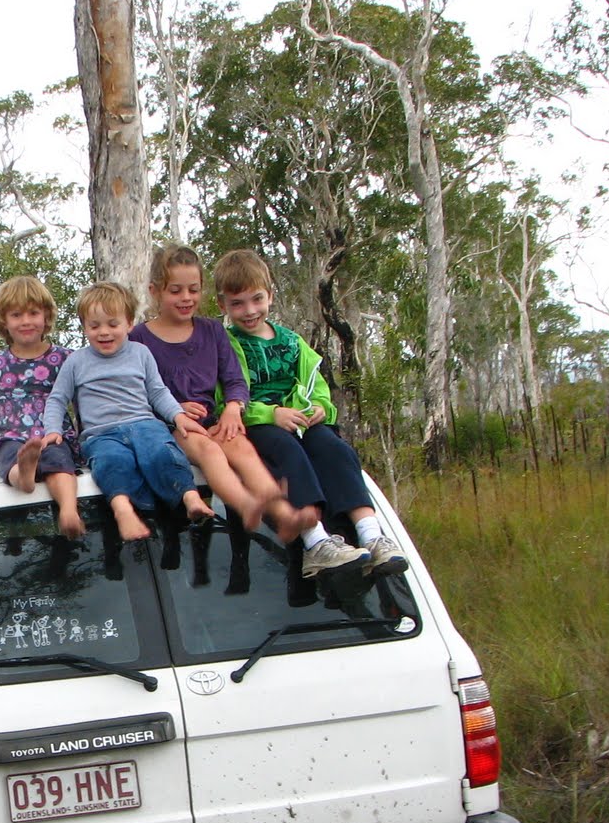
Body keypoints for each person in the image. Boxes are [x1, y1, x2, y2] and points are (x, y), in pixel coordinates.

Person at [211, 249, 408, 580]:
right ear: (222, 305)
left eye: (257, 299)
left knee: (335, 448)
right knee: (287, 451)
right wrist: (271, 414)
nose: (250, 311)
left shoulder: (293, 342)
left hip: (300, 422)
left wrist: (319, 407)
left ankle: (371, 535)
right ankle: (315, 541)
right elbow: (223, 400)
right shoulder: (223, 345)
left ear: (270, 295)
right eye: (238, 304)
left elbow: (317, 386)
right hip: (257, 423)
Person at [131, 244, 313, 542]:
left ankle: (284, 514)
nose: (186, 297)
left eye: (194, 289)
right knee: (210, 452)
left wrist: (232, 407)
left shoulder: (212, 331)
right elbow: (134, 393)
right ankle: (246, 505)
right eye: (175, 291)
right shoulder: (138, 339)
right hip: (172, 428)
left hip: (213, 420)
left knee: (242, 448)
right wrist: (175, 409)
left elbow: (234, 379)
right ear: (154, 291)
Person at [39, 281, 215, 542]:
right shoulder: (76, 361)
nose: (104, 332)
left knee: (162, 454)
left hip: (145, 425)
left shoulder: (141, 353)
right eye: (94, 326)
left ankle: (190, 498)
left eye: (113, 324)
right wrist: (53, 431)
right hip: (102, 434)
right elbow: (56, 399)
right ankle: (123, 510)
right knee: (112, 463)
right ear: (84, 327)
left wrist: (178, 417)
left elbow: (158, 392)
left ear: (129, 323)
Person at [0, 275, 85, 538]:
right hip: (9, 436)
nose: (25, 321)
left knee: (59, 461)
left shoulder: (65, 358)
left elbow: (81, 404)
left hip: (52, 434)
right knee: (9, 457)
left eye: (33, 313)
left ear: (46, 316)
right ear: (4, 321)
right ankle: (24, 477)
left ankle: (69, 510)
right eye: (16, 315)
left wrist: (84, 445)